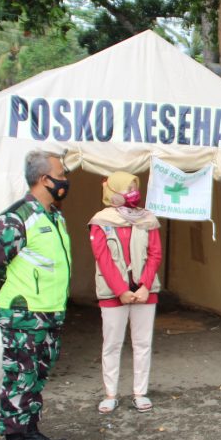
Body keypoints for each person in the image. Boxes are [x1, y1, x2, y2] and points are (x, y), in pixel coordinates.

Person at [0, 150, 72, 440]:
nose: (66, 178)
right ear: (45, 179)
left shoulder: (53, 216)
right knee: (19, 380)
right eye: (62, 172)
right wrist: (0, 294)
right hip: (24, 316)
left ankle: (30, 433)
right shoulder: (17, 217)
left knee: (36, 377)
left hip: (49, 313)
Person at [89, 172, 162, 414]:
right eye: (127, 187)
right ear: (114, 191)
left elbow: (155, 254)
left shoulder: (147, 219)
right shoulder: (101, 221)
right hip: (112, 293)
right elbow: (102, 257)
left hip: (145, 291)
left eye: (134, 187)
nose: (133, 191)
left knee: (142, 343)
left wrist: (144, 285)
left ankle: (140, 392)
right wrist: (120, 290)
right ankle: (111, 393)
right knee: (112, 343)